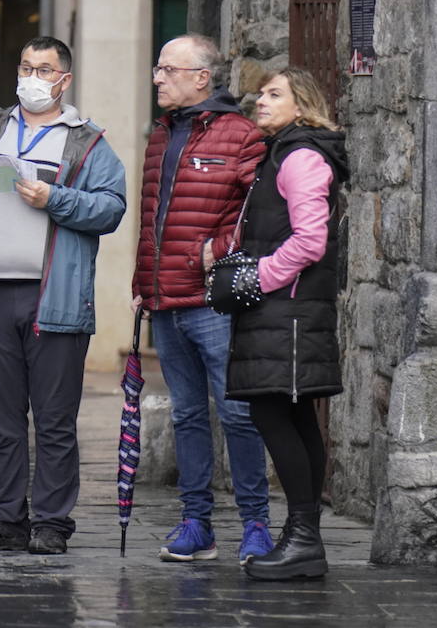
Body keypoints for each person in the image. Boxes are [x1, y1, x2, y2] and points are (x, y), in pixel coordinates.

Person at [0, 23, 126, 556]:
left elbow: (111, 208)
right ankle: (5, 518)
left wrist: (55, 199)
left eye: (44, 71)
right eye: (26, 69)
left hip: (53, 301)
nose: (33, 79)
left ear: (65, 80)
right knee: (0, 416)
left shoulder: (88, 141)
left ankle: (52, 523)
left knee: (55, 420)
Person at [131, 34, 273, 565]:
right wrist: (141, 283)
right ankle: (196, 524)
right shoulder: (161, 134)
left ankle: (256, 524)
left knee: (236, 414)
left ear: (201, 79)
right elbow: (152, 220)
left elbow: (258, 211)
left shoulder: (240, 134)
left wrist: (216, 249)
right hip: (165, 301)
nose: (158, 77)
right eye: (157, 68)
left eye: (169, 69)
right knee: (188, 414)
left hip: (215, 301)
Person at [227, 67, 348, 581]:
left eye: (274, 94)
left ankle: (303, 539)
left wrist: (258, 276)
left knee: (276, 415)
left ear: (301, 104)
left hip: (287, 310)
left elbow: (309, 242)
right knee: (291, 417)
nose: (260, 101)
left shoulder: (300, 157)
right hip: (282, 311)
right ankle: (303, 539)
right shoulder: (284, 152)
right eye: (261, 92)